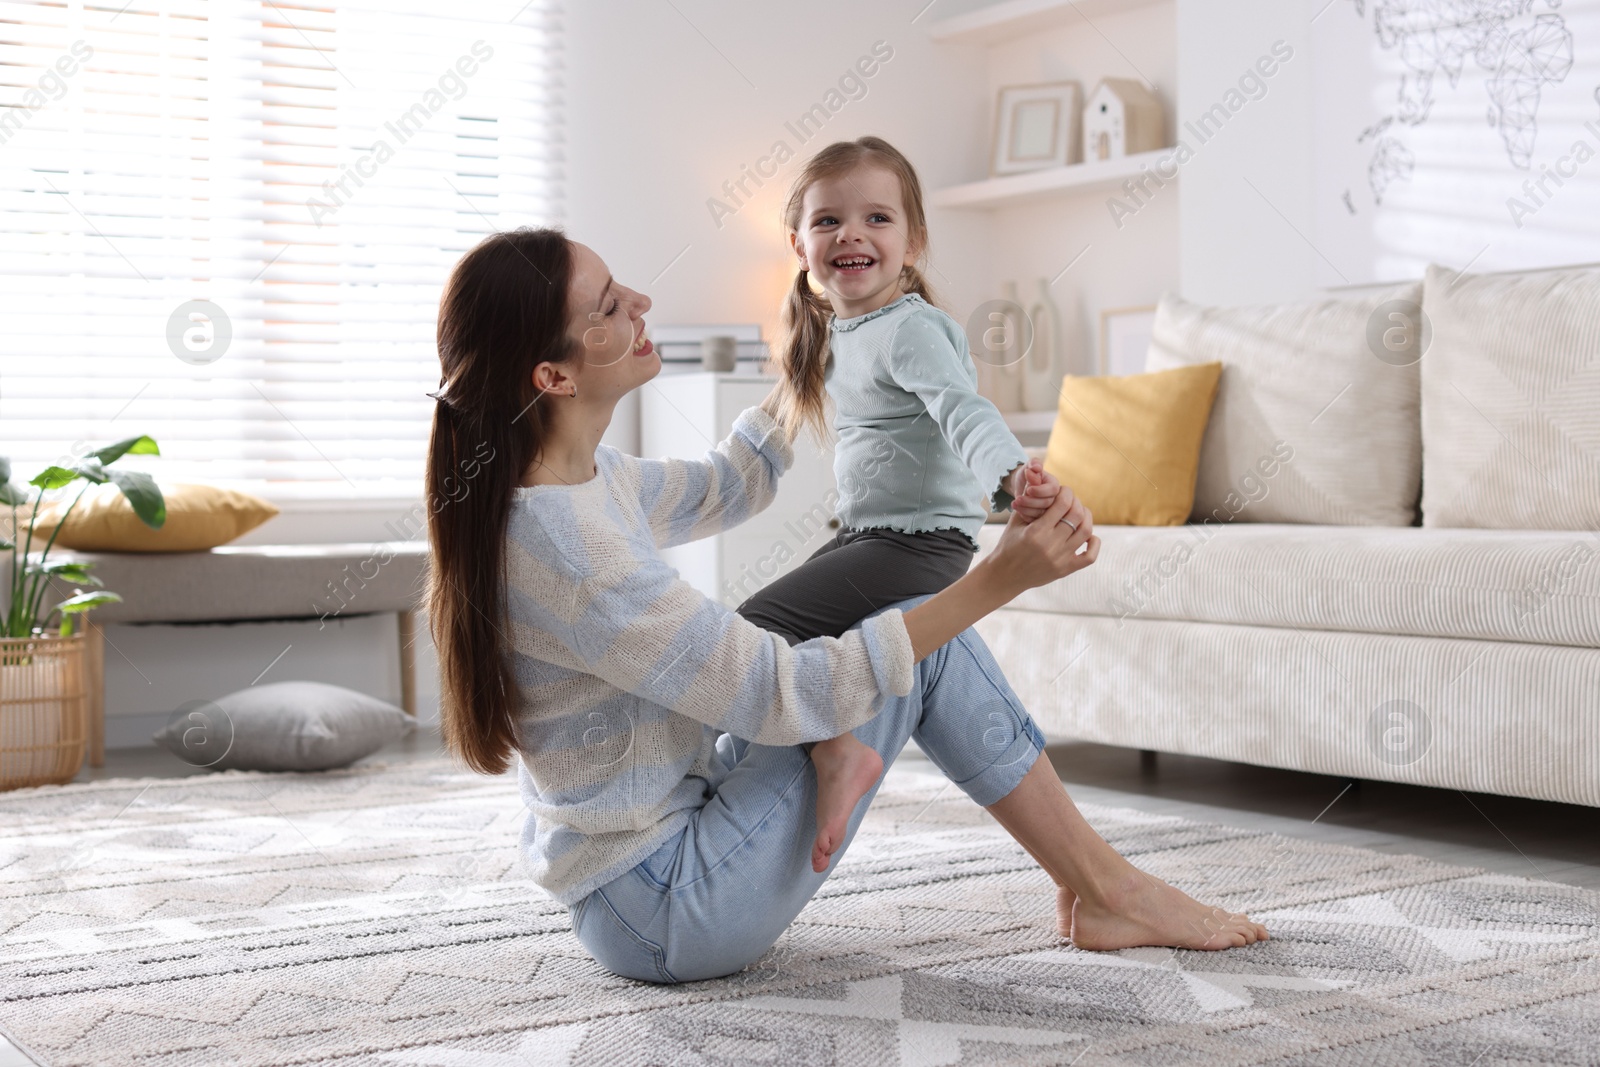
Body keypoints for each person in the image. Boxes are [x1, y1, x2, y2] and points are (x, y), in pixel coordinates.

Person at [425, 226, 1268, 986]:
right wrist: (995, 579)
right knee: (916, 640)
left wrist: (809, 355)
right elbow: (778, 691)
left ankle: (1089, 883)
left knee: (893, 634)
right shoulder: (570, 549)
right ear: (555, 374)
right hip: (665, 907)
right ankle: (1109, 889)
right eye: (611, 303)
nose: (642, 301)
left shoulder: (583, 484)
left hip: (659, 855)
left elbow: (728, 483)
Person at [735, 136, 1063, 872]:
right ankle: (827, 747)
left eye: (877, 218)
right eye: (828, 222)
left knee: (753, 627)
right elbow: (776, 427)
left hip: (917, 545)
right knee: (770, 638)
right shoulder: (835, 335)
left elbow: (962, 410)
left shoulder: (910, 328)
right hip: (869, 538)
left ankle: (836, 750)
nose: (851, 233)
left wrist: (1012, 476)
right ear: (799, 245)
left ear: (913, 242)